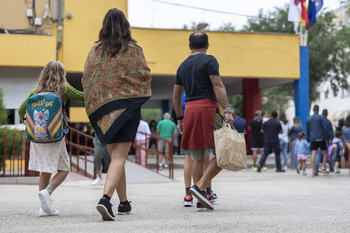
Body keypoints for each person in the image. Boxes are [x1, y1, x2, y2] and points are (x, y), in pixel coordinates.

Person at [81, 8, 152, 221]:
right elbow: (144, 75)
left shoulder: (95, 50)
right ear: (126, 26)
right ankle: (105, 199)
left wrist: (99, 100)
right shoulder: (133, 49)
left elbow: (87, 78)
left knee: (115, 158)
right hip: (128, 108)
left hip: (103, 111)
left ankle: (124, 203)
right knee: (120, 157)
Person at [173, 31, 234, 210]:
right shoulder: (210, 60)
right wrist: (228, 110)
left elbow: (176, 97)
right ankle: (200, 187)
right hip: (208, 108)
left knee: (197, 157)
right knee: (225, 152)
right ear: (207, 45)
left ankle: (200, 200)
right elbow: (217, 85)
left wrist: (179, 119)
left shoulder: (182, 66)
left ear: (189, 46)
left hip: (190, 111)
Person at [18, 60, 84, 217]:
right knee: (64, 168)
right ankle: (47, 193)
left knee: (45, 170)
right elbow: (82, 97)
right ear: (61, 74)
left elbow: (21, 111)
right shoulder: (63, 88)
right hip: (55, 137)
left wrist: (32, 127)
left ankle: (43, 208)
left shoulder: (36, 92)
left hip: (37, 137)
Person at [306, 105, 329, 177]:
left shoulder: (308, 119)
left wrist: (308, 139)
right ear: (318, 110)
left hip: (313, 138)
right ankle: (323, 167)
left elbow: (307, 130)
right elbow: (325, 128)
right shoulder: (321, 118)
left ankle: (313, 171)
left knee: (313, 154)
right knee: (326, 151)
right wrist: (327, 137)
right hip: (321, 138)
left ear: (313, 110)